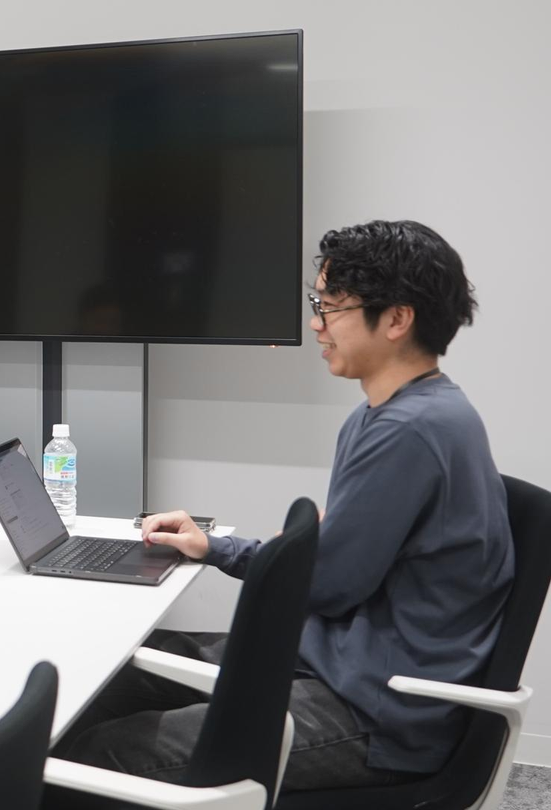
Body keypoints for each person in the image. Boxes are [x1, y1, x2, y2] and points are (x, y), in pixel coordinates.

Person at [51, 220, 514, 792]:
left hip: (374, 709)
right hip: (333, 658)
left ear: (397, 319)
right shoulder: (398, 413)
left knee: (103, 752)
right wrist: (217, 545)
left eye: (332, 307)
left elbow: (326, 584)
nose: (317, 323)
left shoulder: (410, 430)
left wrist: (283, 553)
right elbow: (329, 565)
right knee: (117, 673)